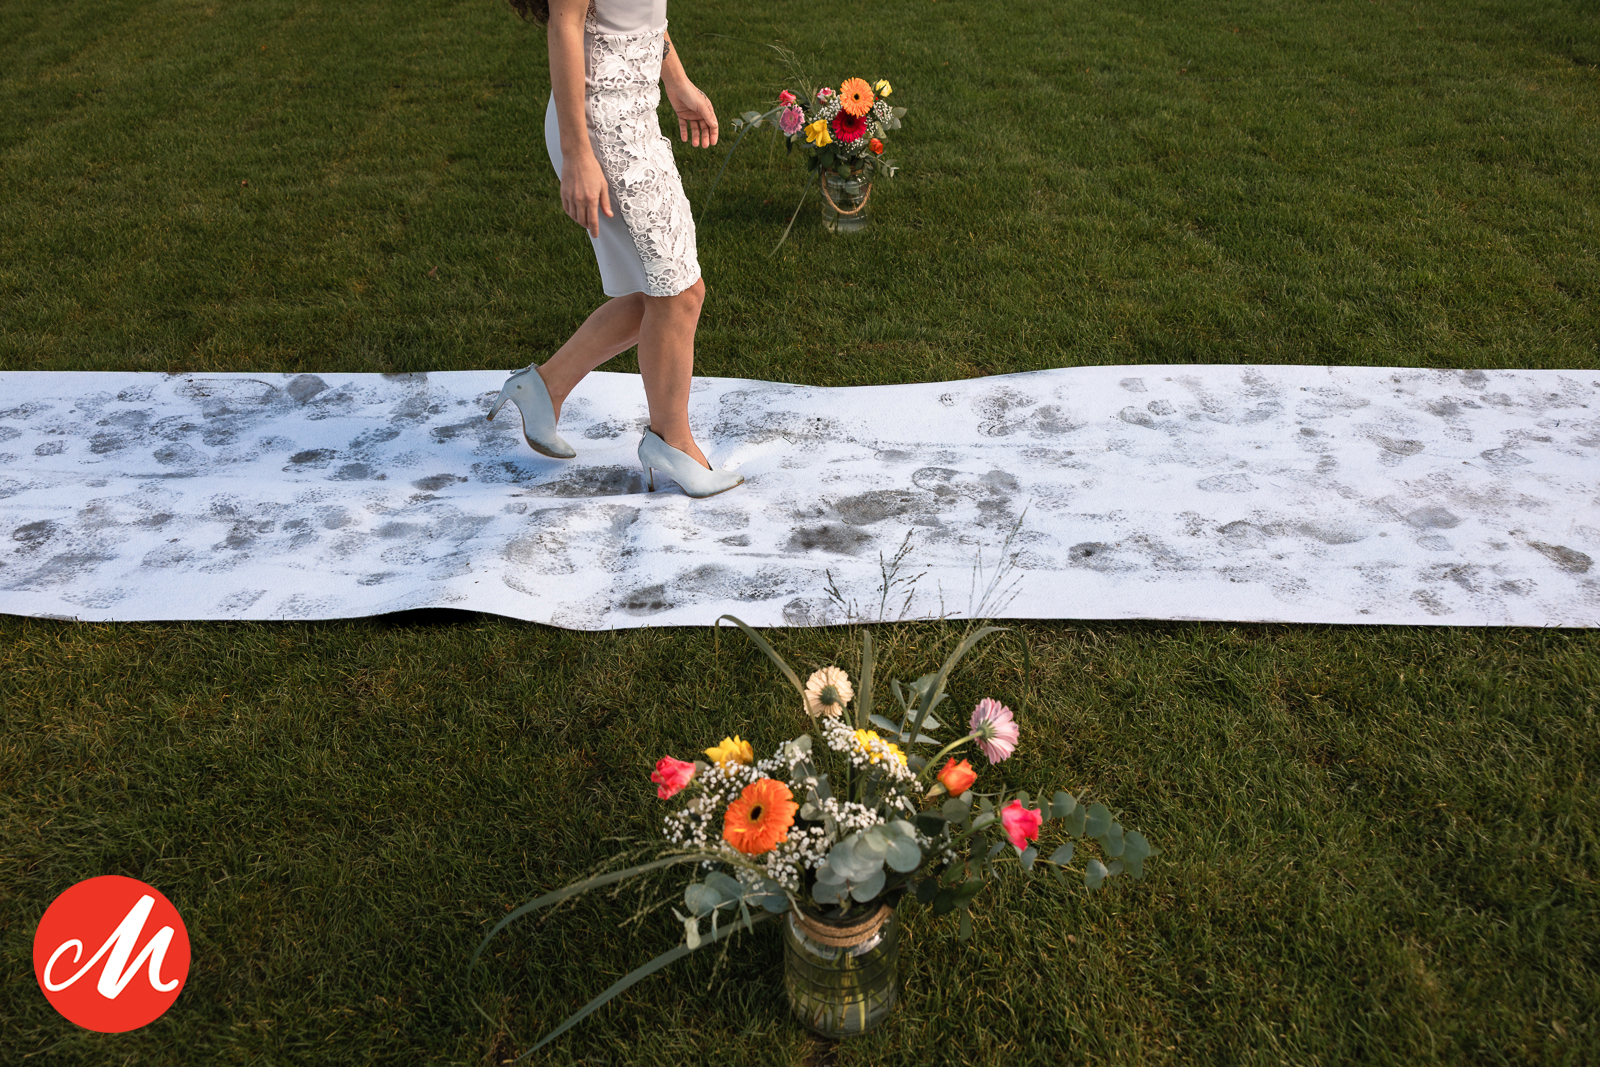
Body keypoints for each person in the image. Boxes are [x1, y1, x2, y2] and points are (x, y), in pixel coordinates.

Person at [489, 0, 743, 498]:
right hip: (599, 127)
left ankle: (543, 388)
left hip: (635, 114)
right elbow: (565, 25)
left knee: (665, 294)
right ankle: (671, 441)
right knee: (679, 294)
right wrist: (576, 153)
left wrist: (676, 80)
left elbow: (641, 14)